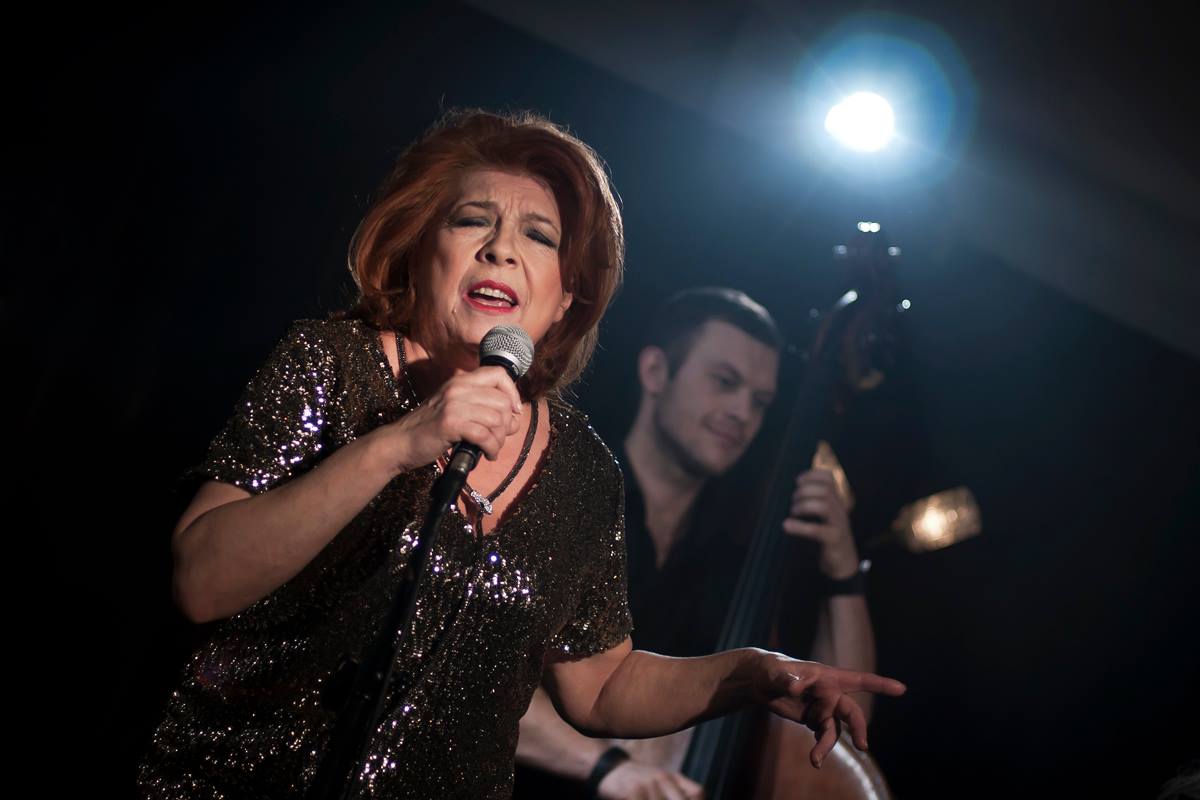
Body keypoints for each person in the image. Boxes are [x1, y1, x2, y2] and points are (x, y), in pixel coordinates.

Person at [137, 110, 904, 800]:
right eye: (473, 221)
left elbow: (602, 685)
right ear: (421, 252)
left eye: (539, 236)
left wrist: (753, 674)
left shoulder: (583, 471)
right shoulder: (331, 365)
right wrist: (397, 445)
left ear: (567, 295)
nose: (502, 249)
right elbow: (201, 581)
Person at [515, 288, 876, 798]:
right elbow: (476, 670)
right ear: (655, 372)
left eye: (760, 402)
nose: (741, 412)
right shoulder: (559, 493)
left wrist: (842, 572)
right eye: (725, 382)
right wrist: (608, 768)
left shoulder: (739, 558)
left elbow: (845, 726)